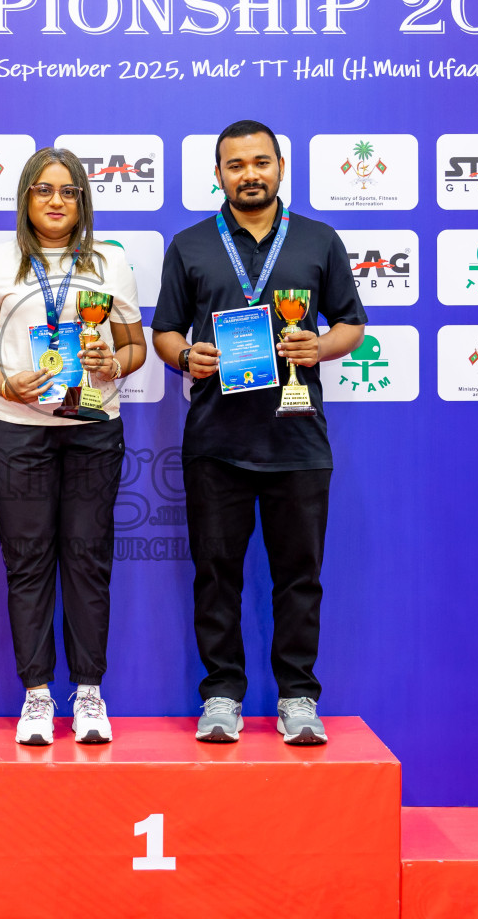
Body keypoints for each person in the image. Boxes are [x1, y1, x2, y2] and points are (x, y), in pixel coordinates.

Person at [152, 120, 367, 746]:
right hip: (216, 441)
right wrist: (185, 355)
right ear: (217, 175)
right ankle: (221, 694)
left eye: (261, 162)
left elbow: (352, 324)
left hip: (298, 440)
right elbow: (165, 329)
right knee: (215, 574)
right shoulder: (190, 244)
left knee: (300, 576)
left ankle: (298, 697)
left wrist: (320, 344)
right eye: (236, 164)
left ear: (280, 167)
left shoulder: (319, 241)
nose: (250, 173)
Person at [0, 147, 147, 746]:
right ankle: (37, 695)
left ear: (83, 201)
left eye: (68, 191)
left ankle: (89, 693)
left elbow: (136, 349)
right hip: (17, 429)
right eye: (44, 190)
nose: (57, 201)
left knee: (88, 560)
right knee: (29, 562)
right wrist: (4, 380)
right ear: (26, 198)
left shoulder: (109, 265)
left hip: (93, 427)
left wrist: (111, 362)